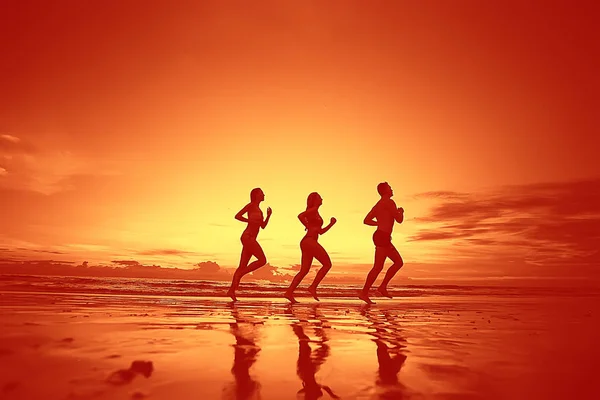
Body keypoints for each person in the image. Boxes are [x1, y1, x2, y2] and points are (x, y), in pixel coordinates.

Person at [285, 192, 336, 303]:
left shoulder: (316, 212)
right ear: (314, 200)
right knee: (327, 264)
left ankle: (289, 292)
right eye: (319, 197)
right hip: (309, 241)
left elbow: (320, 232)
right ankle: (313, 287)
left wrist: (331, 224)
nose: (322, 198)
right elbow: (300, 216)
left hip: (308, 242)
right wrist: (307, 225)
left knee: (304, 270)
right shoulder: (313, 210)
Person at [359, 182, 404, 304]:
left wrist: (379, 224)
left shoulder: (378, 205)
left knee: (379, 267)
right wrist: (401, 211)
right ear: (385, 191)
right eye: (390, 188)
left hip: (380, 235)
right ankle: (380, 287)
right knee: (398, 262)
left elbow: (366, 220)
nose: (392, 189)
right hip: (383, 237)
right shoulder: (389, 202)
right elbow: (399, 220)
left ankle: (366, 292)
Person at [227, 188, 272, 301]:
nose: (264, 194)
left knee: (242, 265)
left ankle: (231, 291)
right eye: (262, 193)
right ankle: (240, 274)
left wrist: (268, 216)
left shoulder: (260, 211)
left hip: (251, 238)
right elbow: (237, 216)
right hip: (247, 237)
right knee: (262, 260)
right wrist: (249, 221)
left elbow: (263, 226)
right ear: (256, 195)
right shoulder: (251, 206)